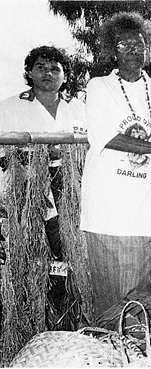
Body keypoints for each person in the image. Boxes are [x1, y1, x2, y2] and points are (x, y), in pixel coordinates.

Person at [80, 11, 151, 317]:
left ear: (150, 49)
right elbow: (110, 138)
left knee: (143, 301)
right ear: (111, 50)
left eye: (139, 44)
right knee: (117, 306)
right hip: (111, 218)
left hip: (150, 219)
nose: (133, 50)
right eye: (123, 44)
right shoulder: (98, 87)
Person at [0, 45, 86, 263]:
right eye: (41, 67)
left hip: (71, 192)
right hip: (26, 194)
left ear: (65, 75)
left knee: (68, 249)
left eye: (55, 69)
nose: (48, 73)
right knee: (29, 253)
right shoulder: (10, 107)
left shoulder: (79, 108)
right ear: (29, 72)